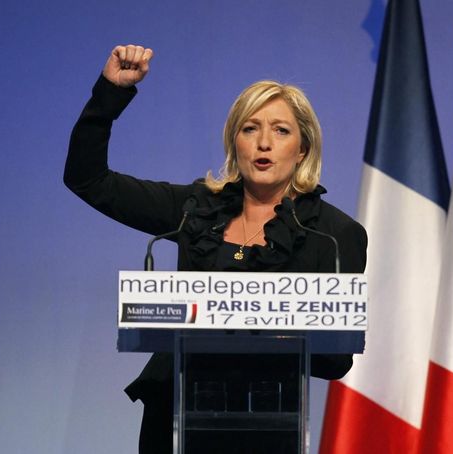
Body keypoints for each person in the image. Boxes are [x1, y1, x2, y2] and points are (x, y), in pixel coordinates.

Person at [64, 44, 367, 453]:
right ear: (234, 142)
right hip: (175, 421)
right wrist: (109, 94)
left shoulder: (333, 234)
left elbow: (337, 361)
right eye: (249, 128)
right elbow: (88, 179)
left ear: (302, 150)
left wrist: (261, 329)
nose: (263, 142)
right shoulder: (194, 208)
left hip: (265, 426)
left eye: (280, 130)